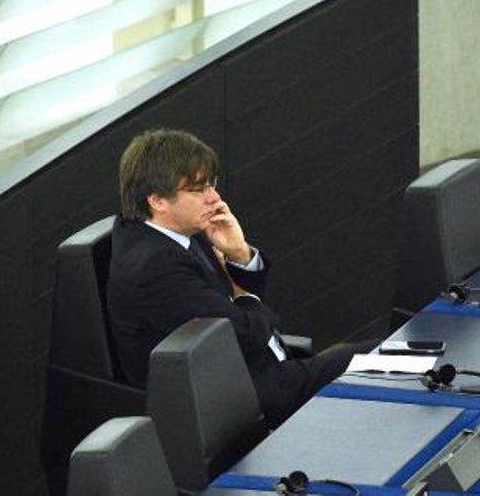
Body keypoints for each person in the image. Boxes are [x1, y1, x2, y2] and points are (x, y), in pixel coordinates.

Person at [108, 128, 375, 428]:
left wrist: (239, 255)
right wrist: (241, 294)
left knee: (386, 356)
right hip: (246, 397)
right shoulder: (155, 268)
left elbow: (244, 321)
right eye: (198, 190)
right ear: (157, 200)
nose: (214, 198)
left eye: (211, 184)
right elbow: (245, 334)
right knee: (380, 363)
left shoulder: (176, 231)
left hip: (263, 366)